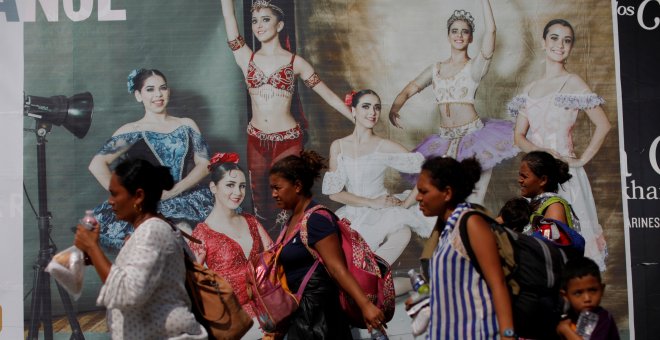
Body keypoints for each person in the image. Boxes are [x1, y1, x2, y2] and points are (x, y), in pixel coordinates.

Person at [219, 0, 352, 226]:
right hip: (256, 139)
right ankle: (269, 252)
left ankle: (292, 247)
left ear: (279, 25)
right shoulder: (246, 58)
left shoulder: (295, 62)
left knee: (287, 195)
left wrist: (355, 118)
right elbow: (229, 18)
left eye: (265, 19)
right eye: (254, 21)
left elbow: (327, 95)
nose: (258, 26)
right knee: (260, 197)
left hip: (288, 141)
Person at [388, 0, 518, 204]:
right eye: (455, 31)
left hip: (474, 137)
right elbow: (409, 89)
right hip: (445, 139)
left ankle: (470, 232)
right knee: (442, 194)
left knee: (474, 197)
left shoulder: (475, 67)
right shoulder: (435, 69)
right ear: (448, 35)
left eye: (464, 31)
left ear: (471, 37)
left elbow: (491, 31)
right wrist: (395, 108)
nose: (459, 35)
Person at [508, 19, 610, 271]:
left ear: (571, 47)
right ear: (543, 43)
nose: (560, 45)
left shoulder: (573, 82)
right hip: (537, 175)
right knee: (539, 242)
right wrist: (541, 152)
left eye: (566, 40)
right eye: (554, 38)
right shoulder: (530, 89)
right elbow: (519, 137)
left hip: (567, 176)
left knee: (570, 244)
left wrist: (581, 160)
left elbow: (603, 125)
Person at [74, 158, 207, 339]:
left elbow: (127, 293)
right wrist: (94, 256)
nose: (110, 201)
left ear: (138, 196)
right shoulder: (150, 230)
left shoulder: (152, 231)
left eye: (115, 194)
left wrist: (92, 247)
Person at [322, 89, 435, 294]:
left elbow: (426, 171)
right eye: (366, 106)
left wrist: (405, 203)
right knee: (344, 277)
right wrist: (370, 202)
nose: (372, 112)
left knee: (402, 232)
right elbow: (334, 193)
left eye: (376, 107)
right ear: (353, 110)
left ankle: (405, 281)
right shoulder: (338, 146)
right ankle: (412, 281)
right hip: (353, 213)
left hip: (383, 210)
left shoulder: (384, 145)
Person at [89, 68, 213, 251]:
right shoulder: (132, 130)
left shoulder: (187, 124)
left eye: (162, 88)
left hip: (186, 198)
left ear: (168, 91)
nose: (158, 94)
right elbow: (97, 164)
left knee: (198, 248)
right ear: (138, 95)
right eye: (150, 89)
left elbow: (204, 165)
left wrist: (173, 191)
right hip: (151, 205)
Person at [269, 150, 384, 339]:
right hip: (301, 319)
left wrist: (366, 305)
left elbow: (337, 269)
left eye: (277, 188)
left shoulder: (317, 219)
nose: (273, 194)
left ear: (297, 185)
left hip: (321, 322)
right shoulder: (292, 222)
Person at [415, 156, 514, 339]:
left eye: (424, 191)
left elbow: (498, 284)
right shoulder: (446, 231)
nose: (417, 197)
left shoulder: (471, 223)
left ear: (447, 193)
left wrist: (507, 335)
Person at [187, 152, 272, 338]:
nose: (238, 193)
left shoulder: (251, 221)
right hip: (232, 320)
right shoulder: (202, 234)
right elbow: (192, 287)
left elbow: (273, 257)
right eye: (230, 185)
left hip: (266, 311)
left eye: (242, 186)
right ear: (213, 187)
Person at [519, 151, 582, 245]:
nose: (519, 180)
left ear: (543, 180)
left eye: (524, 176)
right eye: (519, 175)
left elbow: (552, 250)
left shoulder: (554, 207)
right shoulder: (536, 205)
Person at [556, 257, 620, 339]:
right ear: (565, 295)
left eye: (593, 290)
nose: (587, 299)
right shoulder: (567, 318)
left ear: (602, 289)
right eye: (578, 293)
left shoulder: (602, 318)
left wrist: (566, 331)